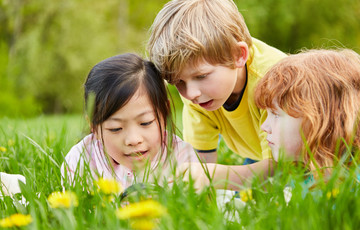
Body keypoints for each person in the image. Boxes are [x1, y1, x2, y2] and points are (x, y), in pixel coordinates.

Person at [176, 49, 360, 189]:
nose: (264, 127)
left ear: (320, 121)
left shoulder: (347, 187)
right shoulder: (310, 180)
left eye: (276, 115)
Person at [147, 0, 286, 169]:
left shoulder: (274, 82)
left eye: (201, 76)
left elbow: (279, 168)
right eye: (178, 82)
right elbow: (200, 160)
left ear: (238, 55)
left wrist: (212, 177)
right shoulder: (197, 94)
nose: (190, 94)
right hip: (258, 157)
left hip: (306, 157)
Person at [61, 53, 199, 188]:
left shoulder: (181, 158)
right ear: (94, 127)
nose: (133, 140)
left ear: (165, 113)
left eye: (145, 123)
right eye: (116, 128)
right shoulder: (81, 161)